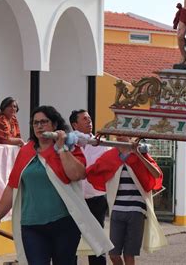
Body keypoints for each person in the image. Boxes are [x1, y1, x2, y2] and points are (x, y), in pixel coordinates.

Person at [0, 105, 112, 264]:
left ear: (54, 125)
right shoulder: (26, 151)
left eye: (44, 122)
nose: (39, 126)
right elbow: (12, 186)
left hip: (64, 224)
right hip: (31, 225)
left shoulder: (70, 147)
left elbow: (77, 174)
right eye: (35, 123)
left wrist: (61, 149)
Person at [87, 136, 167, 265]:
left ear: (130, 137)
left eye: (123, 133)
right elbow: (94, 171)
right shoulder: (110, 155)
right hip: (116, 210)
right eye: (118, 133)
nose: (120, 136)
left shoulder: (140, 153)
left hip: (136, 211)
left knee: (129, 255)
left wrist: (138, 154)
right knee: (113, 254)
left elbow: (156, 174)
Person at [70, 109, 110, 265]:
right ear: (74, 124)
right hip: (74, 198)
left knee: (96, 239)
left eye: (90, 119)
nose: (89, 121)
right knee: (71, 239)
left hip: (95, 198)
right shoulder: (68, 144)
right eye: (84, 119)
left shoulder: (101, 143)